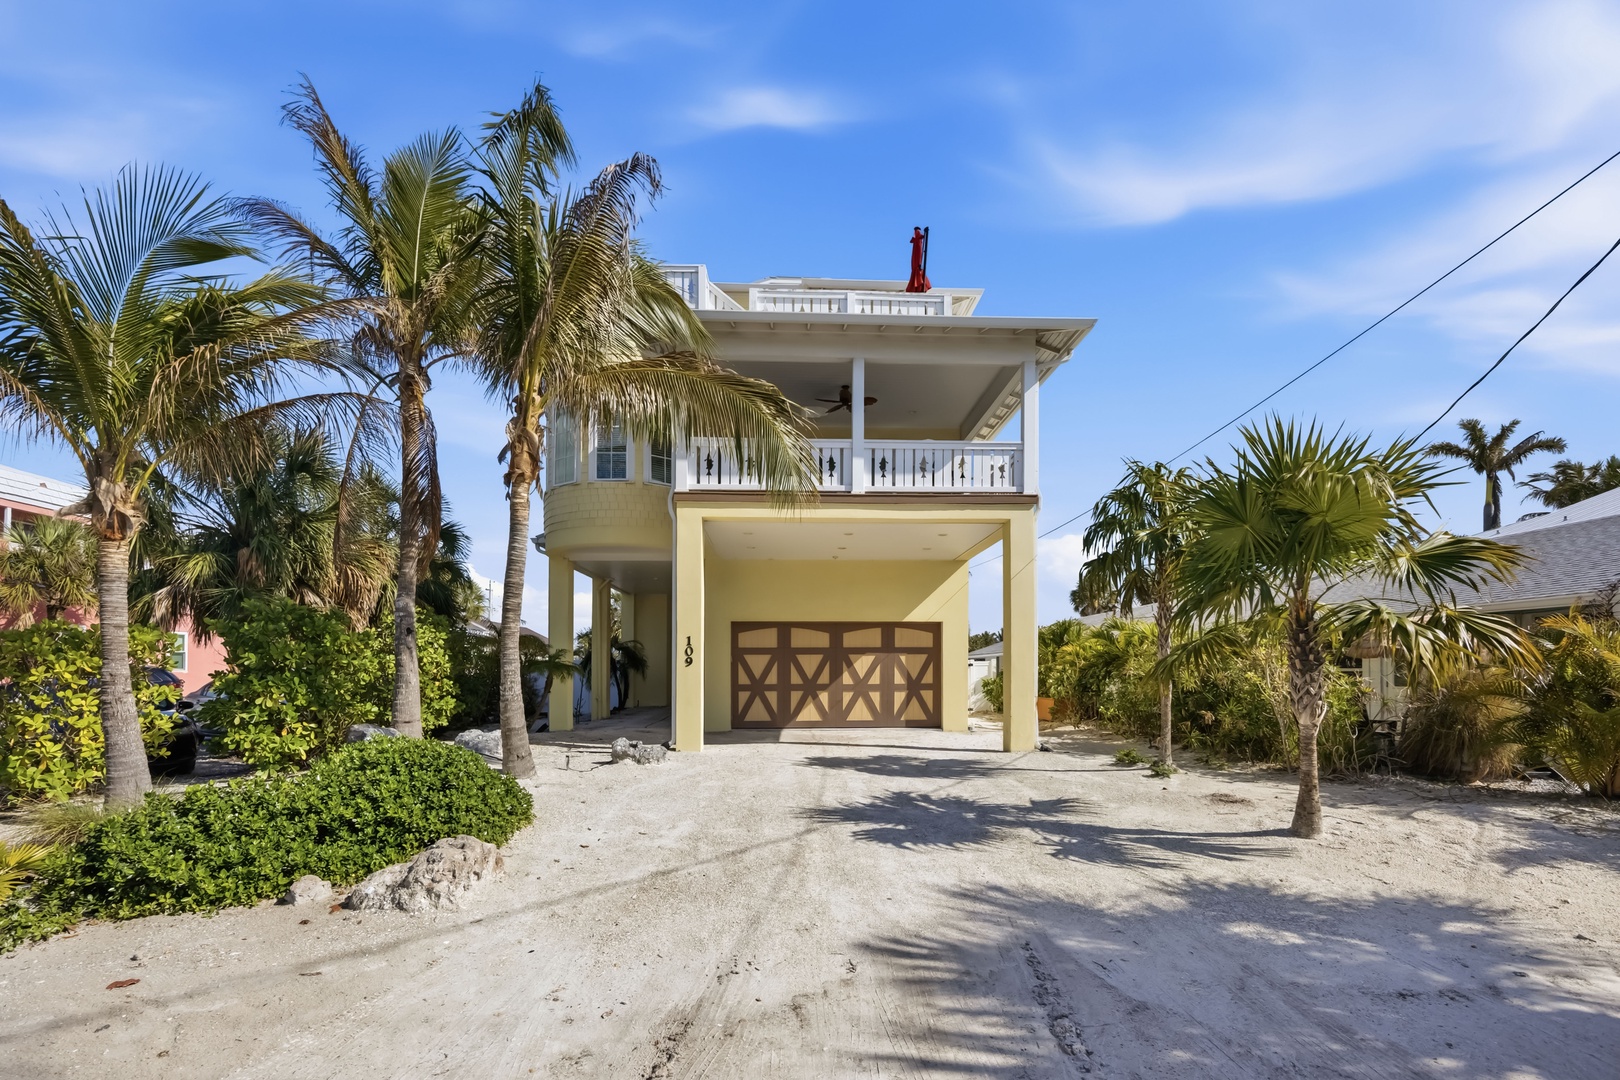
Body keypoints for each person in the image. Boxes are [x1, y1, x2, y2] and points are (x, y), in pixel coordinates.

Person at [906, 226, 931, 292]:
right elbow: (919, 235)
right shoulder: (917, 235)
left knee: (917, 265)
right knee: (917, 265)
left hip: (916, 262)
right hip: (917, 261)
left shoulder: (917, 238)